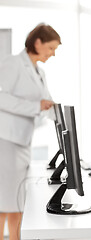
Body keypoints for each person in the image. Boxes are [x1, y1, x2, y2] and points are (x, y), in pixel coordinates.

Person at [0, 23, 61, 240]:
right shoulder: (13, 63)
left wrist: (60, 115)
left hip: (22, 140)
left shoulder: (39, 71)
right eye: (51, 48)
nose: (53, 54)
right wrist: (36, 107)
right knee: (7, 200)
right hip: (7, 139)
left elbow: (46, 104)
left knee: (15, 199)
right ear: (38, 43)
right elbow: (1, 96)